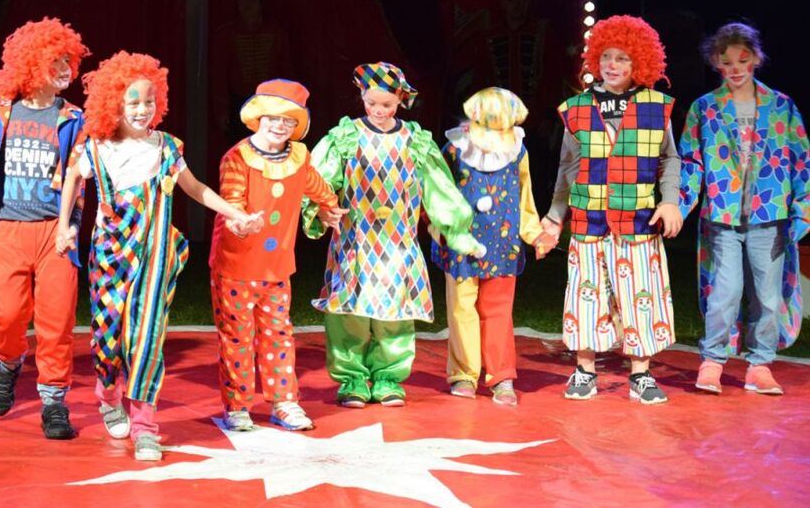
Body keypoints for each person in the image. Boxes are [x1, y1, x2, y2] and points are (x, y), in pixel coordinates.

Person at [55, 51, 261, 461]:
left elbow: (196, 188)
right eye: (132, 101)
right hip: (110, 258)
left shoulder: (165, 146)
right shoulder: (95, 147)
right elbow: (72, 180)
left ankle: (146, 426)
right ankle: (108, 396)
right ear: (112, 102)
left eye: (149, 101)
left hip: (153, 258)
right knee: (108, 340)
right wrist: (64, 227)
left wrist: (236, 214)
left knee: (146, 338)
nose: (142, 109)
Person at [303, 62, 484, 408]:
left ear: (400, 99)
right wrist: (321, 208)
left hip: (397, 243)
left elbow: (439, 188)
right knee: (350, 312)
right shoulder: (346, 137)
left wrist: (455, 228)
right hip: (354, 242)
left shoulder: (414, 141)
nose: (378, 110)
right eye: (371, 103)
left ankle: (388, 377)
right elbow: (317, 179)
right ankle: (353, 378)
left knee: (395, 312)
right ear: (362, 97)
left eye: (386, 104)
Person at [541, 15, 682, 405]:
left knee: (641, 296)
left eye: (623, 58)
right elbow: (568, 166)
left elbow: (670, 159)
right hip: (589, 222)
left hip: (638, 221)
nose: (612, 65)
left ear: (640, 62)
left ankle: (641, 374)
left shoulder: (656, 107)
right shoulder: (577, 109)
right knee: (586, 295)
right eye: (606, 56)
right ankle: (585, 370)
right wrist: (554, 217)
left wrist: (670, 200)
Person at [0, 18, 91, 438]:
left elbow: (78, 180)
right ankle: (8, 363)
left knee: (57, 321)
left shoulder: (73, 117)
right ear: (31, 63)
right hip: (9, 230)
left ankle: (54, 401)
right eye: (56, 61)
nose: (65, 69)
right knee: (8, 315)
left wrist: (71, 226)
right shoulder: (1, 110)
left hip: (54, 231)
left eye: (68, 61)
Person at [679, 22, 808, 395]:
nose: (735, 68)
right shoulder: (705, 108)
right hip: (723, 215)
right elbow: (691, 161)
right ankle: (712, 361)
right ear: (716, 63)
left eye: (742, 59)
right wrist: (680, 204)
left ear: (756, 59)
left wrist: (803, 209)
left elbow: (801, 160)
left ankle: (760, 364)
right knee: (725, 291)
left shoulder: (781, 106)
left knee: (768, 295)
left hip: (770, 215)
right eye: (727, 62)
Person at [208, 78, 345, 431]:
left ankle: (284, 402)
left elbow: (316, 185)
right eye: (273, 118)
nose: (280, 125)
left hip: (276, 265)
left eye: (288, 120)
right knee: (237, 337)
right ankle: (237, 405)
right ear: (259, 118)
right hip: (236, 264)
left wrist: (329, 208)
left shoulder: (299, 157)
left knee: (278, 333)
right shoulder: (237, 158)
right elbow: (231, 201)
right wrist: (241, 223)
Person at [433, 87, 556, 406]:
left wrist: (533, 233)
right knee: (462, 309)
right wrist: (440, 229)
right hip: (462, 243)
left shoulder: (517, 150)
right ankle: (464, 374)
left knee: (499, 309)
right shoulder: (455, 148)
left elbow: (524, 196)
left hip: (502, 243)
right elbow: (437, 193)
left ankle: (501, 376)